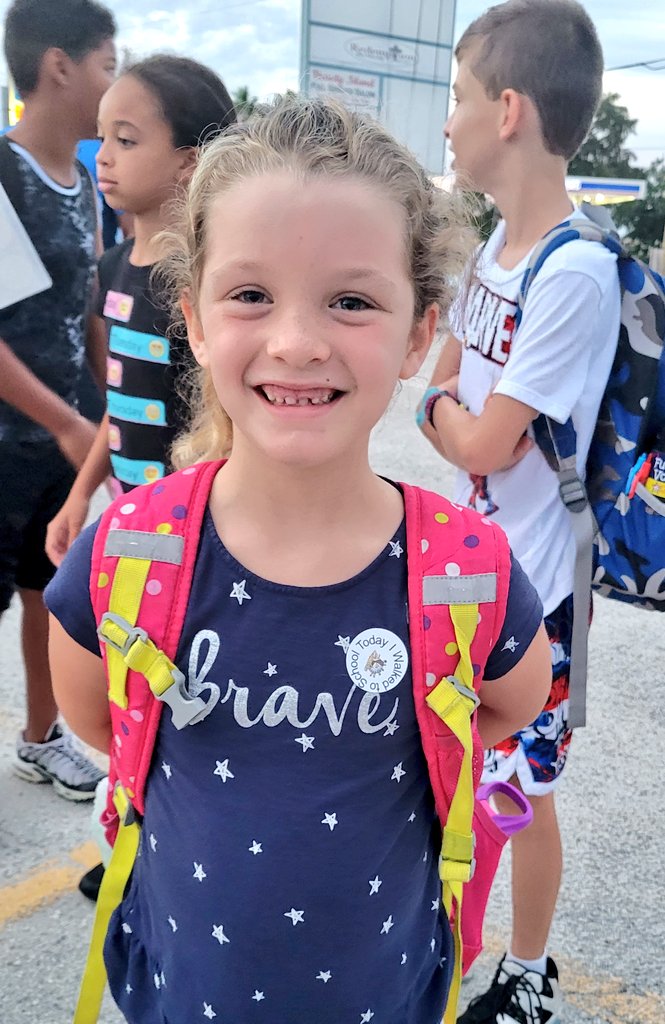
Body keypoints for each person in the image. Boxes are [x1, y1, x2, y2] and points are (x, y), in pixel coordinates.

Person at [45, 96, 551, 1024]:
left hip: (384, 996)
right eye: (250, 295)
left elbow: (513, 701)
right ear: (194, 320)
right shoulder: (129, 553)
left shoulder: (465, 567)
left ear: (415, 336)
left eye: (350, 300)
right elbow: (99, 715)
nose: (296, 342)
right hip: (178, 992)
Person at [418, 2, 621, 1021]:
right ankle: (450, 950)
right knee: (455, 772)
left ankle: (524, 975)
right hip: (465, 568)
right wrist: (448, 414)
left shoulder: (574, 268)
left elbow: (479, 437)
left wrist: (448, 416)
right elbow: (436, 394)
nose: (444, 123)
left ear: (504, 111)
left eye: (455, 99)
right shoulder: (491, 248)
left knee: (514, 790)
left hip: (539, 591)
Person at [45, 53, 237, 901]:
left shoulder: (200, 284)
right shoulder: (115, 267)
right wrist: (83, 492)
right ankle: (132, 832)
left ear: (192, 162)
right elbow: (119, 402)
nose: (105, 158)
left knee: (177, 693)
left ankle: (174, 848)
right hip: (128, 516)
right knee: (128, 686)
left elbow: (219, 425)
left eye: (126, 139)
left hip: (186, 531)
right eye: (100, 140)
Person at [0, 0, 116, 801]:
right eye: (109, 65)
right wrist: (68, 421)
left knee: (51, 590)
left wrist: (109, 408)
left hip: (65, 437)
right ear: (59, 66)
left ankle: (41, 737)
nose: (116, 83)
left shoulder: (87, 182)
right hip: (10, 439)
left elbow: (92, 309)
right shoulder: (4, 176)